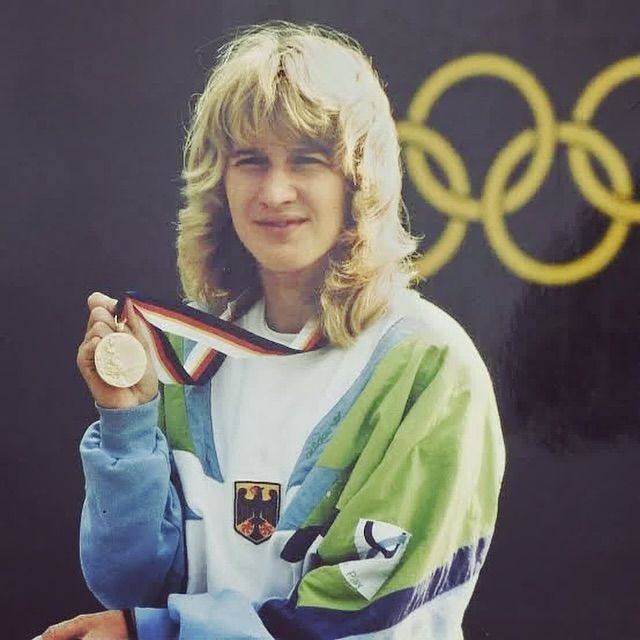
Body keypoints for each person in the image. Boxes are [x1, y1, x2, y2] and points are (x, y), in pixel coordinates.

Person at [40, 21, 505, 640]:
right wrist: (127, 426)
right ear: (218, 180)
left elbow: (359, 621)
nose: (274, 191)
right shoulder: (190, 354)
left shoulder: (426, 366)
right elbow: (129, 584)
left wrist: (156, 633)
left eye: (308, 160)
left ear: (358, 182)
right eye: (249, 161)